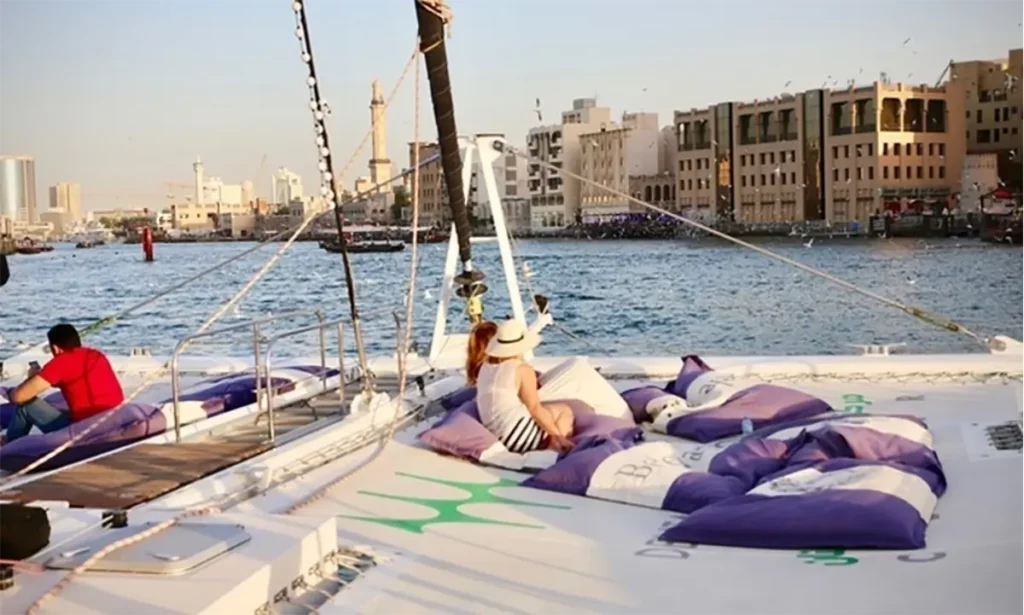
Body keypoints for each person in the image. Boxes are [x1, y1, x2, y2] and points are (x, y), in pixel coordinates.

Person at [1, 324, 124, 445]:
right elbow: (65, 378)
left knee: (25, 405)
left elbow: (19, 397)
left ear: (55, 348)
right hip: (114, 421)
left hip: (86, 431)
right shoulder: (96, 355)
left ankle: (9, 446)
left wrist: (30, 378)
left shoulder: (61, 363)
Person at [473, 318, 574, 454]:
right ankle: (559, 449)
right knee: (564, 410)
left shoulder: (485, 368)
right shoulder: (521, 369)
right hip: (519, 438)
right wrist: (558, 435)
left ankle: (553, 443)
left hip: (495, 436)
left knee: (546, 411)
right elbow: (534, 408)